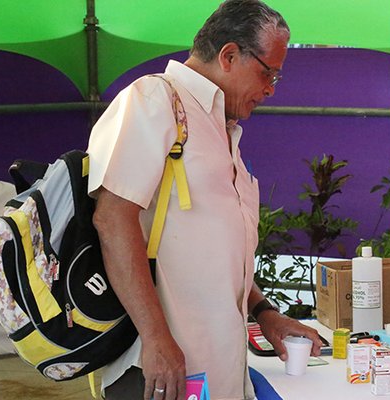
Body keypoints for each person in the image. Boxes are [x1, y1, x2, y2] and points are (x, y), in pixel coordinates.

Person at [87, 1, 322, 399]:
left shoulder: (221, 129)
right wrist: (156, 339)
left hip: (216, 372)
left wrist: (265, 314)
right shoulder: (153, 100)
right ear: (229, 55)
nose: (269, 91)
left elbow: (212, 258)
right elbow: (113, 219)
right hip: (159, 371)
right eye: (269, 74)